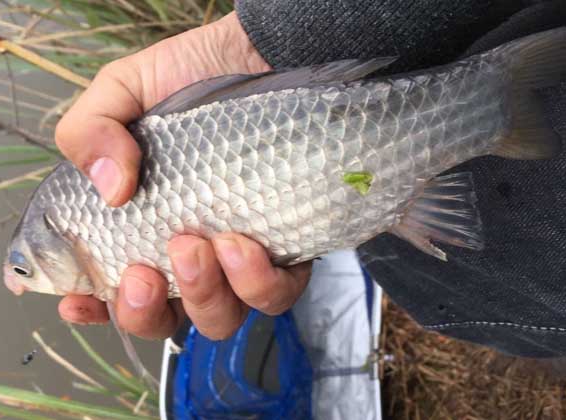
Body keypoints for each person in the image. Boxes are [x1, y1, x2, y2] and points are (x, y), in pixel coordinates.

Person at [54, 0, 566, 357]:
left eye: (26, 269)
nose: (19, 282)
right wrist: (268, 39)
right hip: (375, 206)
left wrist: (268, 42)